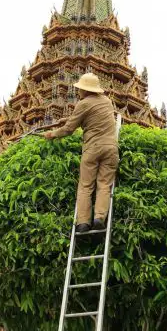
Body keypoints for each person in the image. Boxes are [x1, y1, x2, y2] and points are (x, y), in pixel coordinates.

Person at [44, 73, 119, 233]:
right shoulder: (107, 102)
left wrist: (52, 134)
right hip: (111, 148)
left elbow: (69, 129)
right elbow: (93, 117)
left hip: (92, 148)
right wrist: (70, 119)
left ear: (85, 90)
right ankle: (99, 218)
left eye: (80, 89)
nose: (78, 92)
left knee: (86, 186)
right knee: (104, 185)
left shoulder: (83, 104)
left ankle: (83, 223)